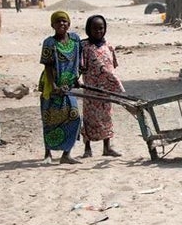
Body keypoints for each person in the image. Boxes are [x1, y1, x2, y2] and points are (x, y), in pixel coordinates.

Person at [39, 11, 82, 164]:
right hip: (52, 86)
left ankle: (66, 154)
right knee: (49, 119)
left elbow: (79, 59)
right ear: (53, 25)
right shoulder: (49, 43)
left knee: (74, 117)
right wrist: (54, 85)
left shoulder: (75, 39)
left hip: (68, 85)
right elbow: (48, 67)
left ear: (69, 23)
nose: (61, 24)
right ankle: (47, 154)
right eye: (58, 22)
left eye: (64, 21)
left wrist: (77, 78)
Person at [80, 14, 125, 158]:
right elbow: (81, 66)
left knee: (107, 117)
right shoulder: (85, 46)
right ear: (88, 29)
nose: (98, 31)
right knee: (89, 118)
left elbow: (112, 67)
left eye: (101, 28)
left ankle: (107, 147)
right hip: (91, 90)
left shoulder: (108, 46)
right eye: (95, 29)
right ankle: (87, 148)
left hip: (106, 91)